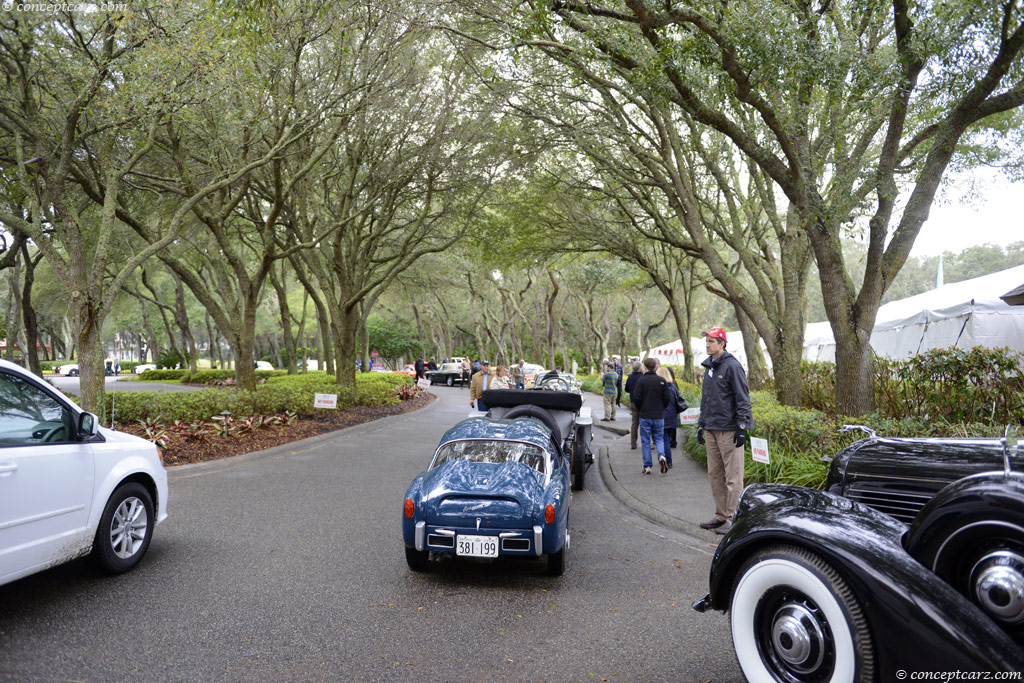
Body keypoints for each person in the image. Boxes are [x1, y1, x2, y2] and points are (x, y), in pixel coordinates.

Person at [696, 327, 753, 535]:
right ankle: (721, 516)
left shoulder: (732, 366)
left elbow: (743, 399)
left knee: (733, 477)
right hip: (711, 427)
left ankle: (732, 518)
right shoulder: (710, 367)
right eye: (707, 341)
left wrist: (742, 427)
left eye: (712, 341)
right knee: (715, 475)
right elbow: (707, 399)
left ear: (722, 343)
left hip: (729, 429)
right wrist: (701, 424)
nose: (708, 344)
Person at [630, 357, 670, 475]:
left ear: (645, 367)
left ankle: (647, 466)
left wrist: (641, 407)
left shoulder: (641, 381)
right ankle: (662, 455)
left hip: (645, 415)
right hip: (658, 415)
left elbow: (636, 398)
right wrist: (661, 407)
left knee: (646, 441)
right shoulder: (662, 380)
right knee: (659, 438)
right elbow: (667, 398)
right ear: (655, 366)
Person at [657, 366, 686, 469]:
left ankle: (667, 460)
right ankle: (667, 460)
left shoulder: (659, 388)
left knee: (664, 440)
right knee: (667, 438)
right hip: (672, 417)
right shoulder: (673, 387)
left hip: (662, 417)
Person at [624, 361, 644, 449]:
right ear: (640, 369)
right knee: (644, 423)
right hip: (643, 403)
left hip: (633, 402)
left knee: (634, 423)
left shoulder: (630, 377)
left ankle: (633, 443)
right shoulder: (643, 377)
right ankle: (645, 443)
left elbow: (626, 389)